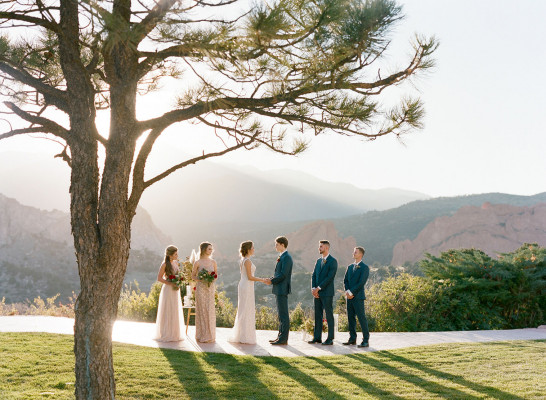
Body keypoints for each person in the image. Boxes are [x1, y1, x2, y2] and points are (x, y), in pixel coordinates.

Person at [229, 241, 268, 344]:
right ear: (248, 249)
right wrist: (262, 280)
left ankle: (242, 334)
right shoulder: (247, 261)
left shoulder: (243, 260)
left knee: (244, 308)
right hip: (246, 285)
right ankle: (244, 336)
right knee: (246, 308)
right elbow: (250, 277)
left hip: (244, 285)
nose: (254, 249)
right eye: (253, 247)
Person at [265, 236, 293, 345]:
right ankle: (280, 337)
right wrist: (271, 280)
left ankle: (283, 339)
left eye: (276, 244)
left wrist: (271, 281)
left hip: (282, 289)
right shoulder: (283, 256)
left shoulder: (287, 257)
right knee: (280, 315)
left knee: (284, 315)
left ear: (282, 244)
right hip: (279, 289)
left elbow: (283, 275)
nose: (275, 246)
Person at [309, 240, 338, 345]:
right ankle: (317, 338)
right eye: (319, 246)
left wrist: (319, 288)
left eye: (321, 246)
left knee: (329, 315)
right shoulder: (318, 261)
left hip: (327, 293)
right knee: (318, 315)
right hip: (316, 293)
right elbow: (313, 275)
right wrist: (313, 288)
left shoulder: (333, 261)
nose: (319, 248)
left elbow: (330, 277)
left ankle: (330, 338)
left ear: (326, 247)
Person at [154, 245, 185, 342]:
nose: (177, 255)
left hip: (175, 289)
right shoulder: (164, 264)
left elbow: (178, 274)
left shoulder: (175, 263)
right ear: (170, 255)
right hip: (168, 289)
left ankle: (174, 333)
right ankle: (166, 333)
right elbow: (159, 278)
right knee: (168, 309)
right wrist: (170, 283)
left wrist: (179, 280)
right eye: (175, 254)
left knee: (174, 309)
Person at [343, 246, 370, 348]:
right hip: (349, 297)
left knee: (361, 318)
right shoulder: (350, 267)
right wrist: (347, 291)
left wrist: (352, 292)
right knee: (350, 318)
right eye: (353, 252)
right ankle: (352, 339)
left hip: (358, 297)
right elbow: (345, 280)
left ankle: (366, 340)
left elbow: (361, 282)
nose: (353, 253)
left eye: (356, 252)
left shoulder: (365, 267)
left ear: (361, 254)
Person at [192, 241, 217, 343]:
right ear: (203, 250)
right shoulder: (197, 262)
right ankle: (202, 335)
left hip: (210, 288)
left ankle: (210, 335)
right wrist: (201, 279)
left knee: (210, 310)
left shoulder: (213, 262)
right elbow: (192, 276)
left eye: (211, 249)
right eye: (209, 249)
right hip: (201, 288)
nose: (211, 250)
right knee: (202, 310)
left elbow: (216, 275)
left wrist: (210, 279)